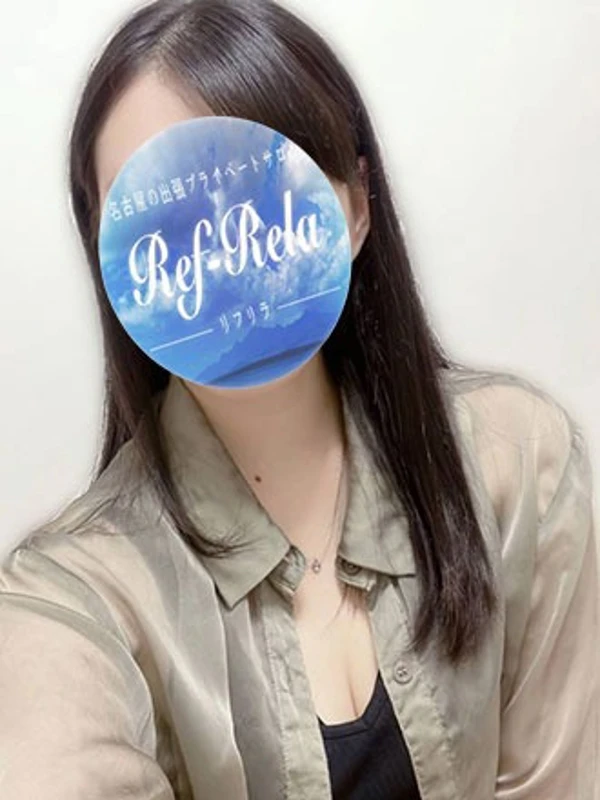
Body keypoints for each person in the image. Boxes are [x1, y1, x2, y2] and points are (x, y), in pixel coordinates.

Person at [1, 0, 598, 797]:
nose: (219, 250)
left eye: (260, 190)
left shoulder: (515, 463)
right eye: (159, 219)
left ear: (356, 205)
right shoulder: (70, 592)